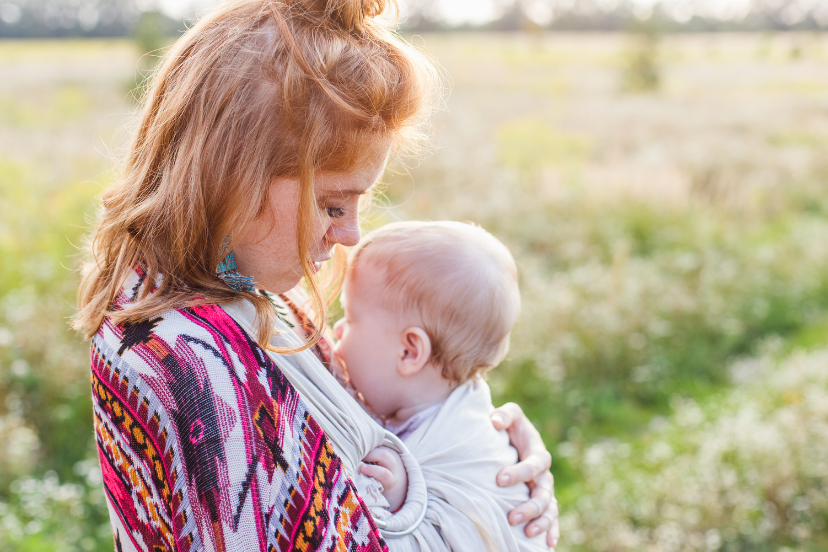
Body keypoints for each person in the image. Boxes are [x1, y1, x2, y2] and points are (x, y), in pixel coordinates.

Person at [72, 0, 559, 550]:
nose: (352, 233)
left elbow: (367, 405)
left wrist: (474, 449)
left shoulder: (247, 295)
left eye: (360, 202)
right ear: (232, 177)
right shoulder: (183, 359)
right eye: (332, 205)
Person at [333, 221, 548, 551]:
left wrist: (407, 497)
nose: (336, 330)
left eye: (351, 318)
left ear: (409, 352)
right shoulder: (425, 403)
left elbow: (475, 526)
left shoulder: (467, 443)